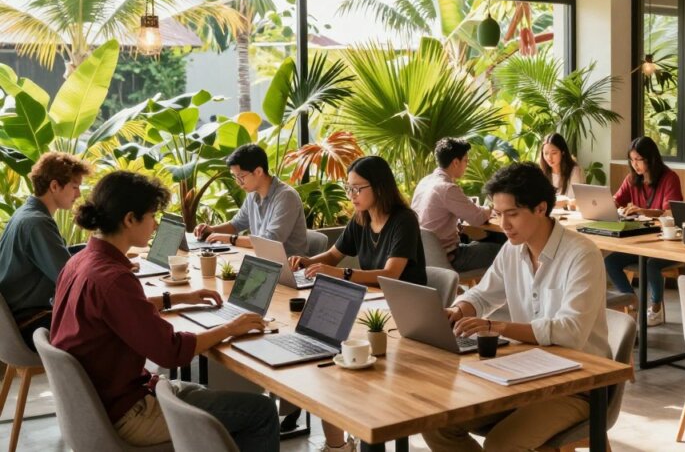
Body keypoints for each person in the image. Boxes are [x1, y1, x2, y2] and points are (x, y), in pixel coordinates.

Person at [49, 171, 279, 450]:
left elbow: (118, 311)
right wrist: (230, 328)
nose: (156, 224)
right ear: (130, 219)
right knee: (261, 412)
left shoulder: (81, 261)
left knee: (201, 393)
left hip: (97, 406)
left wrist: (180, 298)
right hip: (128, 414)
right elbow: (170, 352)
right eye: (151, 216)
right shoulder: (114, 279)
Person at [422, 162, 609, 452]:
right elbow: (483, 295)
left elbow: (570, 332)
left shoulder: (582, 255)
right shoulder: (512, 249)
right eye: (498, 215)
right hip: (524, 375)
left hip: (577, 385)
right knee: (436, 422)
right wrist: (459, 309)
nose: (503, 225)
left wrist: (497, 327)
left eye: (512, 214)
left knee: (501, 445)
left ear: (540, 208)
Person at [289, 155, 426, 451]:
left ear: (379, 187)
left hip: (402, 317)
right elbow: (333, 256)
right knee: (325, 354)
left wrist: (342, 274)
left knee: (340, 356)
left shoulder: (404, 220)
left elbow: (391, 275)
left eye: (356, 189)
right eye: (348, 188)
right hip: (371, 308)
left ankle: (361, 438)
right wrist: (307, 262)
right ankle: (339, 445)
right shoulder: (361, 218)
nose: (351, 196)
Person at [0, 153, 90, 350]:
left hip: (12, 322)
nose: (78, 195)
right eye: (75, 187)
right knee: (101, 322)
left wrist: (90, 253)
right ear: (55, 186)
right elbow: (68, 279)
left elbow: (55, 256)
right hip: (27, 321)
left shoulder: (27, 213)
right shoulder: (37, 223)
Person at [605, 136, 683, 326]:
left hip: (667, 241)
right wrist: (608, 206)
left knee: (650, 264)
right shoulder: (632, 179)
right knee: (610, 261)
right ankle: (632, 302)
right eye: (632, 160)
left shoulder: (669, 178)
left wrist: (642, 211)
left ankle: (656, 307)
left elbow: (670, 211)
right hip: (641, 241)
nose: (635, 164)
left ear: (651, 158)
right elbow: (616, 200)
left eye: (639, 159)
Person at [194, 144, 307, 256]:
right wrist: (211, 230)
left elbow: (270, 241)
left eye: (241, 177)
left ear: (258, 171)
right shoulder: (253, 194)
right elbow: (236, 225)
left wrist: (231, 239)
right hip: (261, 260)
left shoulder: (286, 197)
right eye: (235, 177)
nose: (238, 182)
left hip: (289, 267)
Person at [411, 137, 501, 273]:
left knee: (478, 242)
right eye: (466, 160)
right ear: (455, 162)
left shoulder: (425, 182)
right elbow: (478, 218)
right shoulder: (447, 188)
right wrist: (493, 208)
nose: (467, 165)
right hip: (450, 258)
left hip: (425, 259)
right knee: (505, 250)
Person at [539, 132, 585, 201]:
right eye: (546, 153)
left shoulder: (574, 171)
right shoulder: (542, 173)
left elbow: (572, 200)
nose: (549, 158)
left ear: (563, 152)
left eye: (554, 153)